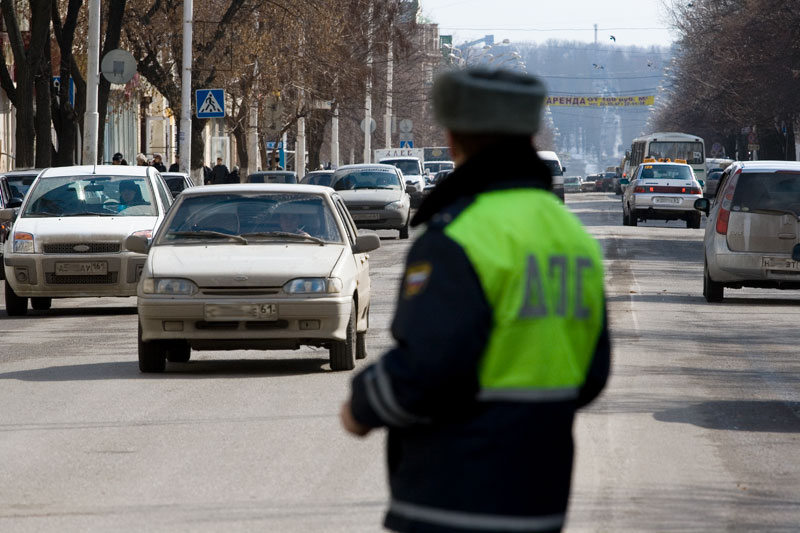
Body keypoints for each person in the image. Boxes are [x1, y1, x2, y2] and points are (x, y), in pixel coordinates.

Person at [341, 69, 611, 533]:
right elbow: (591, 375)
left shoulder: (460, 234)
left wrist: (362, 405)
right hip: (541, 497)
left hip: (452, 497)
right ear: (529, 135)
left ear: (454, 138)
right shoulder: (573, 239)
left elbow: (429, 368)